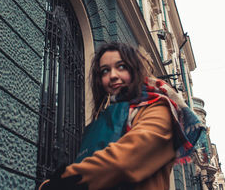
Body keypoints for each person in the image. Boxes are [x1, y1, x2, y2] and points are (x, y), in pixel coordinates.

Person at [39, 42, 203, 190]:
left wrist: (66, 180)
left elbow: (126, 160)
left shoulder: (158, 108)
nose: (113, 75)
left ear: (134, 69)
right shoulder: (108, 116)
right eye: (105, 71)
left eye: (121, 67)